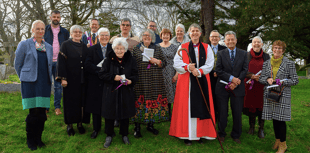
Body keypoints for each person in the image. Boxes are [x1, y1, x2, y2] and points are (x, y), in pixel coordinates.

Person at [169, 23, 216, 145]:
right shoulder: (183, 47)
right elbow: (176, 63)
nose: (194, 33)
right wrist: (188, 67)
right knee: (187, 107)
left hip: (202, 80)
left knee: (202, 105)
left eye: (197, 31)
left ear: (200, 33)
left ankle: (200, 134)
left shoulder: (207, 47)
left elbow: (210, 63)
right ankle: (187, 135)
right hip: (187, 82)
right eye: (192, 31)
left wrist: (199, 71)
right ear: (189, 34)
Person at [14, 20, 53, 150]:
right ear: (32, 30)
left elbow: (49, 66)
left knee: (42, 113)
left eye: (42, 29)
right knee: (33, 112)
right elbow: (17, 64)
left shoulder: (49, 47)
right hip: (29, 84)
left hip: (44, 83)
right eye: (38, 29)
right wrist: (24, 78)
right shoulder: (24, 44)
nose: (41, 31)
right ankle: (30, 140)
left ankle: (39, 139)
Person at [259, 40, 298, 153]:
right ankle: (277, 140)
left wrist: (282, 82)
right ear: (272, 49)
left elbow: (295, 80)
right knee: (274, 119)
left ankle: (283, 144)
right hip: (270, 94)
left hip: (283, 95)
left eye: (280, 48)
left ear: (283, 51)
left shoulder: (289, 63)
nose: (277, 50)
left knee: (281, 120)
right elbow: (261, 79)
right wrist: (267, 79)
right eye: (275, 47)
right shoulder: (267, 63)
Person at [99, 37, 139, 148]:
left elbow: (135, 75)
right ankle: (109, 134)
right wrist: (113, 77)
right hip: (110, 91)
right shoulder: (108, 59)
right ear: (114, 49)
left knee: (125, 112)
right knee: (109, 113)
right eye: (117, 48)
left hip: (126, 91)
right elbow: (102, 74)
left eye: (122, 48)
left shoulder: (131, 60)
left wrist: (131, 80)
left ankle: (124, 134)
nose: (119, 51)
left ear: (125, 49)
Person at [131, 29, 169, 138]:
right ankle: (137, 127)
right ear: (142, 37)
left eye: (149, 35)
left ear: (152, 37)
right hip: (140, 80)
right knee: (139, 101)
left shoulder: (157, 48)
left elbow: (164, 63)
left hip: (155, 80)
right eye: (144, 35)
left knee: (152, 100)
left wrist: (157, 61)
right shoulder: (136, 48)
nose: (147, 37)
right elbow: (132, 63)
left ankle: (150, 125)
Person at [56, 25, 90, 136]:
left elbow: (87, 63)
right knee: (70, 103)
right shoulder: (65, 45)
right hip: (70, 79)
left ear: (82, 34)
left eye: (79, 32)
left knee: (81, 103)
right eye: (75, 32)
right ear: (71, 33)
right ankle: (70, 126)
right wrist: (63, 78)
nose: (77, 33)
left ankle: (80, 124)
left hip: (82, 80)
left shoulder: (85, 47)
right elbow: (61, 62)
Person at [215, 31, 248, 144]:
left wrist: (236, 81)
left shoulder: (244, 53)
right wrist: (231, 79)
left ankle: (236, 134)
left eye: (232, 39)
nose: (230, 41)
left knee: (237, 112)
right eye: (228, 39)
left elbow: (245, 70)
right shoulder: (220, 53)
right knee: (223, 112)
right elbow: (218, 70)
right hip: (222, 87)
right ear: (224, 41)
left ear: (236, 40)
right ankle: (221, 133)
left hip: (238, 87)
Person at [109, 18, 140, 127]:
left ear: (130, 27)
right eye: (123, 25)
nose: (125, 27)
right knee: (117, 95)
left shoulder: (135, 41)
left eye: (127, 25)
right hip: (117, 70)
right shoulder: (113, 39)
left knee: (126, 95)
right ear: (120, 26)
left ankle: (126, 117)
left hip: (129, 70)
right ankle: (117, 117)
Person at [84, 27, 112, 139]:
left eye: (106, 35)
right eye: (102, 35)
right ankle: (96, 129)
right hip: (96, 81)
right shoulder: (91, 49)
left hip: (109, 82)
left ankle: (109, 129)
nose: (104, 37)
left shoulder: (113, 48)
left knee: (109, 105)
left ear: (109, 37)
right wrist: (99, 70)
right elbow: (87, 65)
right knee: (96, 107)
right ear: (98, 37)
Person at [44, 10, 70, 115]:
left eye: (58, 17)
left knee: (58, 86)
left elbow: (68, 46)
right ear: (50, 17)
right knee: (46, 85)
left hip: (59, 62)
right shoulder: (44, 30)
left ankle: (57, 107)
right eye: (54, 17)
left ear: (60, 18)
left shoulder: (65, 32)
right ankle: (45, 107)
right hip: (47, 61)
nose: (56, 19)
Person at [243, 36, 270, 138]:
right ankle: (251, 127)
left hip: (262, 86)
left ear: (262, 44)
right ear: (252, 44)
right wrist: (251, 76)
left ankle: (261, 128)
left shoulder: (266, 57)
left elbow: (269, 71)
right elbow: (242, 70)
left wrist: (261, 77)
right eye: (254, 42)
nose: (256, 44)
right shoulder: (246, 56)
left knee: (261, 107)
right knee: (251, 107)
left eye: (258, 42)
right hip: (250, 86)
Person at [158, 28, 178, 120]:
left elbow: (178, 61)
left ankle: (169, 113)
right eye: (163, 34)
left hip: (171, 72)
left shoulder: (175, 47)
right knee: (161, 92)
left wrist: (176, 74)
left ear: (170, 36)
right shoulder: (157, 46)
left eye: (167, 34)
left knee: (170, 93)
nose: (165, 36)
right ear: (161, 36)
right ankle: (160, 113)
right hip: (159, 72)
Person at [208, 30, 227, 121]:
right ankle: (211, 115)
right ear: (210, 38)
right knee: (210, 96)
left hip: (221, 77)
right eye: (213, 37)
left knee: (220, 97)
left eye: (216, 37)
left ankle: (221, 117)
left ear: (219, 38)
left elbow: (226, 64)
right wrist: (212, 72)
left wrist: (219, 72)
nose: (214, 38)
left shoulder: (224, 49)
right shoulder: (206, 48)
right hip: (209, 76)